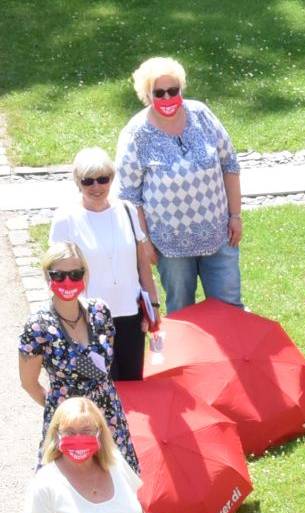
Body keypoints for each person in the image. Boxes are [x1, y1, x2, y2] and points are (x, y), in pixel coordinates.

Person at [116, 56, 243, 313]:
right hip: (170, 246)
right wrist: (144, 242)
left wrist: (236, 216)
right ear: (147, 95)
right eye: (159, 93)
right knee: (182, 312)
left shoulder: (202, 115)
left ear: (181, 89)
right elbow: (129, 196)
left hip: (218, 234)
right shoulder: (136, 133)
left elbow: (229, 165)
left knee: (230, 308)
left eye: (173, 91)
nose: (167, 98)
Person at [18, 243, 140, 472]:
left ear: (85, 274)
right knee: (69, 484)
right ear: (47, 276)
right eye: (59, 275)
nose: (67, 281)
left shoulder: (100, 311)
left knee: (116, 481)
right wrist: (59, 406)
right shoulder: (37, 326)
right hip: (68, 424)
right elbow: (29, 383)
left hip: (108, 416)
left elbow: (105, 365)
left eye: (75, 274)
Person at [49, 147, 157, 381]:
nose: (96, 186)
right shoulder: (65, 218)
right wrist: (67, 319)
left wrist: (153, 307)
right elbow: (54, 273)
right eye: (88, 181)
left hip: (130, 312)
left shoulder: (127, 210)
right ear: (78, 182)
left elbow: (142, 264)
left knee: (132, 383)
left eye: (103, 179)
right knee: (100, 386)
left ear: (111, 178)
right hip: (88, 319)